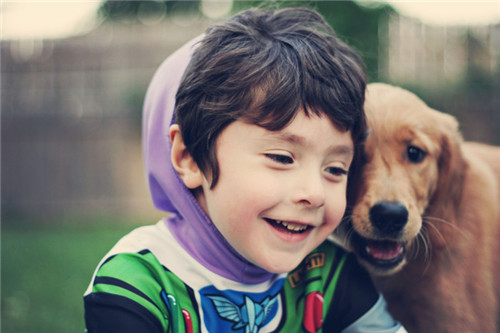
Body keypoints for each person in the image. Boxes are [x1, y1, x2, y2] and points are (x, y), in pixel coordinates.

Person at [84, 7, 406, 333]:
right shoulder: (139, 281)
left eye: (335, 169)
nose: (315, 193)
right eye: (282, 158)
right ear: (188, 157)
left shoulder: (328, 275)